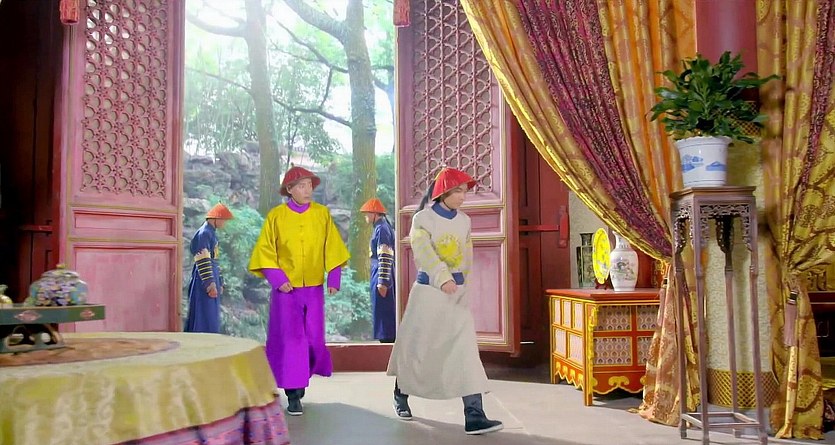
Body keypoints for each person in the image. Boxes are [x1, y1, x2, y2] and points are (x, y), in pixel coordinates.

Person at [386, 167, 503, 435]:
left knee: (465, 351)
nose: (463, 197)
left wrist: (463, 283)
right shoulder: (422, 219)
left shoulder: (464, 221)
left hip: (456, 296)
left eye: (464, 192)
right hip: (428, 294)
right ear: (443, 192)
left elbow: (467, 255)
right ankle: (400, 395)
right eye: (458, 191)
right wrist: (442, 277)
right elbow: (424, 252)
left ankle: (474, 414)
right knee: (418, 349)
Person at [248, 166, 350, 416]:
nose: (308, 190)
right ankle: (293, 393)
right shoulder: (276, 216)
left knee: (314, 339)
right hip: (287, 290)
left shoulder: (321, 214)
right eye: (302, 186)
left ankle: (300, 378)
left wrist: (333, 276)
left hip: (313, 288)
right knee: (291, 340)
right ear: (290, 189)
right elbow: (265, 251)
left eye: (310, 185)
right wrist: (277, 278)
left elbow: (332, 246)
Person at [185, 203, 234, 334]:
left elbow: (215, 259)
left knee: (211, 314)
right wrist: (209, 284)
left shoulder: (212, 233)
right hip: (205, 278)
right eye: (223, 220)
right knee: (204, 314)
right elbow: (203, 260)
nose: (224, 223)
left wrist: (220, 281)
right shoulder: (204, 233)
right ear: (215, 218)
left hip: (213, 275)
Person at [359, 197, 396, 343]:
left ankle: (386, 342)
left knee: (384, 312)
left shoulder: (382, 229)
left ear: (374, 213)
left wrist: (383, 281)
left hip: (381, 273)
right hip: (378, 271)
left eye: (367, 214)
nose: (366, 217)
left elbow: (385, 256)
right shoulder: (381, 227)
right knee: (380, 311)